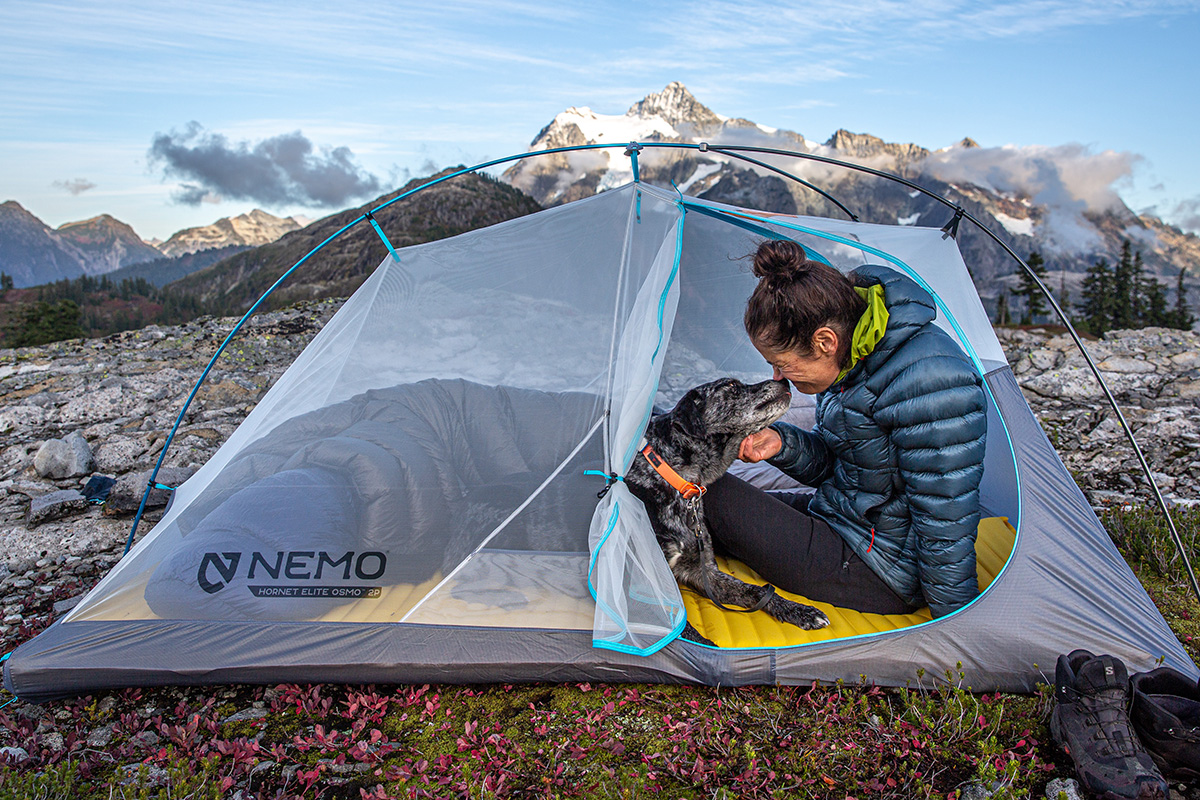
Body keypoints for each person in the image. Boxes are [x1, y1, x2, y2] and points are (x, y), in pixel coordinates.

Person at [702, 240, 987, 618]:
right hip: (845, 521)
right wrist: (782, 443)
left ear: (824, 341)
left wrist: (960, 624)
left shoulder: (931, 380)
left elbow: (946, 517)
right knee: (695, 495)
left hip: (880, 570)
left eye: (781, 365)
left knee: (701, 493)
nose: (777, 378)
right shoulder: (853, 357)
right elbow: (849, 467)